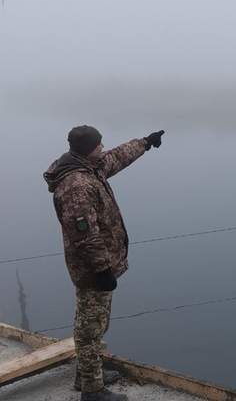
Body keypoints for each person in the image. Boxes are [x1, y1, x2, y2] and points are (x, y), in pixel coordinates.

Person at [43, 126, 164, 401]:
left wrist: (145, 143)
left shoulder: (89, 166)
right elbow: (85, 236)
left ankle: (88, 374)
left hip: (98, 266)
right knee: (90, 328)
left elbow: (116, 157)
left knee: (94, 323)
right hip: (92, 270)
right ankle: (92, 390)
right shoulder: (77, 185)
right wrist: (101, 269)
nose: (103, 147)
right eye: (99, 144)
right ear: (88, 148)